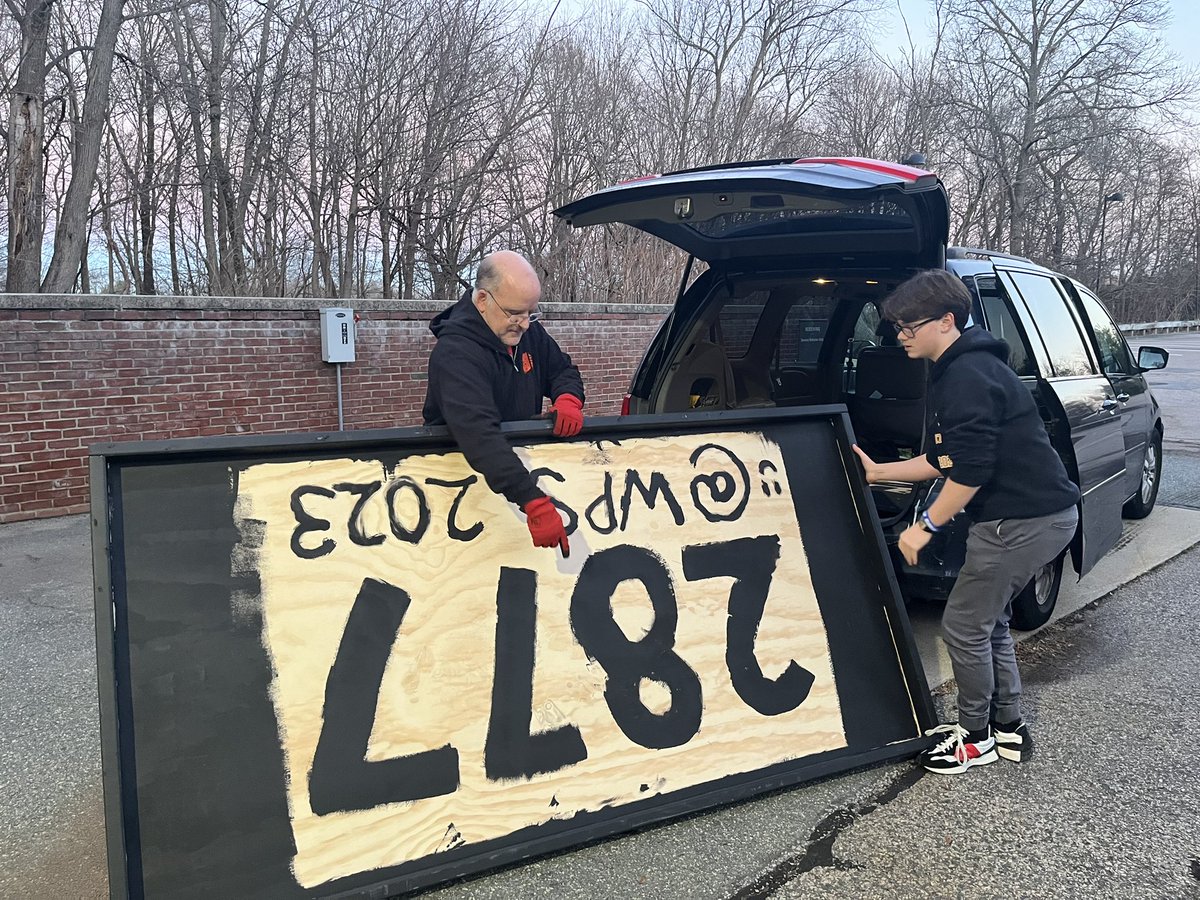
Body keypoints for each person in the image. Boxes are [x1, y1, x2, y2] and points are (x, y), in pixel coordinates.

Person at [852, 269, 1079, 775]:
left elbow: (970, 474)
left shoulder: (969, 378)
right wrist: (879, 472)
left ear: (947, 321)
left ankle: (975, 738)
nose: (900, 336)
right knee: (986, 621)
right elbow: (947, 459)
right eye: (896, 327)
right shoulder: (958, 368)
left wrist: (923, 527)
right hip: (1034, 516)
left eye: (909, 326)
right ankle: (1008, 728)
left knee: (962, 626)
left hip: (1021, 522)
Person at [423, 250, 584, 556]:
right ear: (483, 300)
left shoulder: (526, 333)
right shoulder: (456, 354)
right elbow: (479, 434)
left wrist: (568, 398)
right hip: (461, 492)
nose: (524, 324)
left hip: (517, 479)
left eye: (530, 313)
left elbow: (562, 369)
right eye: (515, 313)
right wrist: (533, 501)